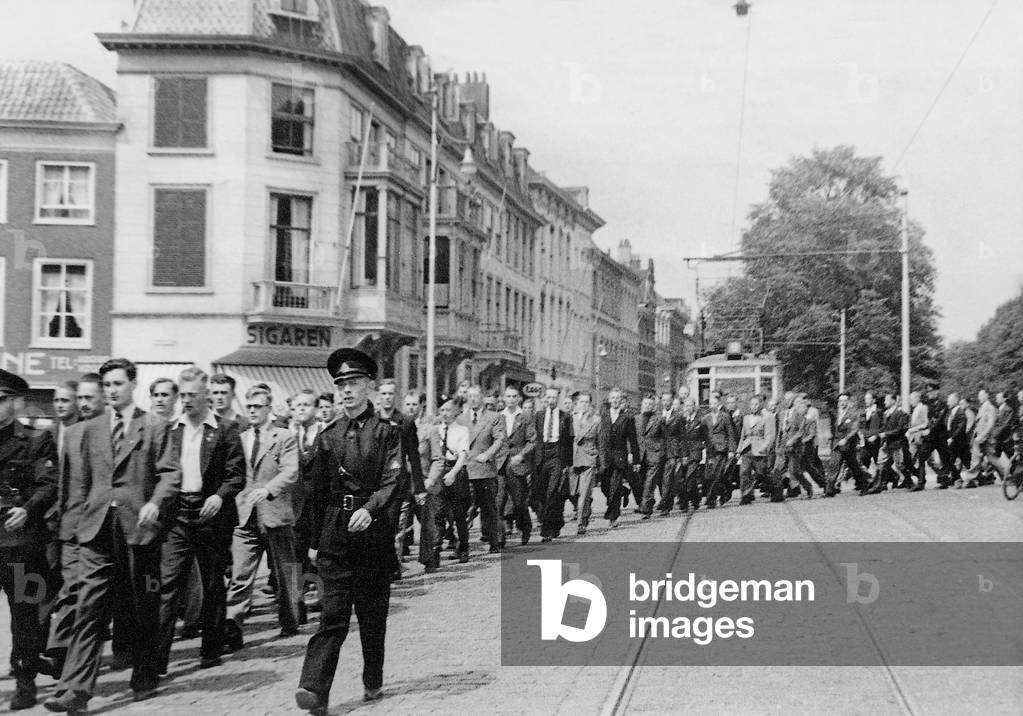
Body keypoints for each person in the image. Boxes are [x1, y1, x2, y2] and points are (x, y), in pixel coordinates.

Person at [46, 358, 180, 713]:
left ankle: (145, 675)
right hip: (96, 531)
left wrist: (155, 502)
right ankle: (76, 689)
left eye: (118, 384)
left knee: (142, 605)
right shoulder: (91, 429)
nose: (111, 391)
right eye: (106, 386)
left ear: (133, 384)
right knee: (88, 608)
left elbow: (170, 474)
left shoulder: (154, 426)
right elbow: (80, 486)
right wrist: (71, 534)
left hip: (139, 530)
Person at [296, 348, 402, 712]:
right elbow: (315, 494)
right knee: (332, 616)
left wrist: (371, 509)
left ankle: (373, 678)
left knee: (372, 619)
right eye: (340, 384)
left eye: (353, 382)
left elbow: (393, 481)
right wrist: (313, 543)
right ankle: (314, 691)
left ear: (369, 385)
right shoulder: (327, 436)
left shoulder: (387, 432)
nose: (346, 390)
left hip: (372, 538)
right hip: (336, 536)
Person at [155, 367, 245, 674]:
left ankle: (210, 650)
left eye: (193, 394)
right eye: (183, 394)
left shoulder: (226, 429)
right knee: (168, 585)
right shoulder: (170, 430)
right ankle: (157, 659)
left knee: (211, 584)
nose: (187, 400)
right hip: (178, 514)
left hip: (212, 515)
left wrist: (219, 496)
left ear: (206, 395)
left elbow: (237, 474)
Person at [223, 385, 301, 651]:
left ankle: (290, 620)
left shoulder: (284, 437)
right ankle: (233, 625)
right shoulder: (240, 437)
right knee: (240, 573)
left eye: (258, 406)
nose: (253, 411)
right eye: (250, 406)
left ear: (268, 408)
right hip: (245, 516)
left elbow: (291, 472)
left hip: (275, 513)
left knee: (285, 571)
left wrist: (268, 490)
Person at [0, 369, 58, 710]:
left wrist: (29, 509)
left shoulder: (37, 439)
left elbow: (49, 483)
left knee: (25, 613)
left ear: (19, 402)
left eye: (2, 400)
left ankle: (25, 680)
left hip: (21, 544)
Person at [375, 381, 426, 580]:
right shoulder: (372, 420)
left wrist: (419, 487)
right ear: (379, 396)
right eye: (384, 393)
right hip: (377, 485)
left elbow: (414, 456)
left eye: (390, 393)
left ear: (395, 396)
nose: (387, 397)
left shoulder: (405, 421)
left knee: (397, 530)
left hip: (400, 485)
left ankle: (393, 569)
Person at [456, 386, 505, 553]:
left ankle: (495, 541)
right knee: (463, 509)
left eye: (476, 395)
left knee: (489, 507)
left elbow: (499, 440)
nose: (473, 399)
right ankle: (461, 546)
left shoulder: (494, 417)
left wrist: (487, 454)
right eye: (470, 396)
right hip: (466, 469)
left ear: (482, 397)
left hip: (484, 468)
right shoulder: (461, 419)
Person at [424, 401, 470, 566]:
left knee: (459, 514)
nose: (444, 413)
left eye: (448, 410)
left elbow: (463, 455)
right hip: (439, 472)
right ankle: (436, 550)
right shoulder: (435, 430)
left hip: (455, 471)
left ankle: (463, 548)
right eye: (442, 410)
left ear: (456, 411)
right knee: (438, 513)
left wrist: (453, 473)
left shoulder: (462, 430)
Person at [532, 388, 573, 542]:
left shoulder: (566, 417)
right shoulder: (539, 416)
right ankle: (557, 521)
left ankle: (546, 530)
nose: (551, 400)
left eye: (554, 398)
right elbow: (535, 438)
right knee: (540, 494)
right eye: (548, 397)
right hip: (542, 456)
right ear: (544, 399)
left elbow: (569, 440)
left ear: (558, 399)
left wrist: (568, 464)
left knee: (552, 491)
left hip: (557, 455)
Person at [496, 386, 535, 545]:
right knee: (498, 502)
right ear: (504, 398)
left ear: (519, 398)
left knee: (519, 502)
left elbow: (532, 440)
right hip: (500, 464)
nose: (511, 399)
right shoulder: (499, 417)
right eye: (508, 396)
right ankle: (500, 538)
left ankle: (525, 528)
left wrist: (521, 455)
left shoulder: (525, 417)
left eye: (514, 396)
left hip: (517, 464)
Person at [598, 388, 639, 528]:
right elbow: (601, 438)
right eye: (613, 398)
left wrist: (636, 459)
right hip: (605, 457)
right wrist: (600, 455)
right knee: (604, 486)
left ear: (621, 401)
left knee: (614, 487)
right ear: (609, 400)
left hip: (620, 457)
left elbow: (633, 440)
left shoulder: (627, 418)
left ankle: (613, 517)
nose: (615, 400)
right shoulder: (603, 415)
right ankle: (624, 491)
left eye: (618, 398)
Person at [571, 392, 601, 535]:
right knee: (573, 493)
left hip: (588, 459)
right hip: (572, 460)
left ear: (590, 404)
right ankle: (586, 509)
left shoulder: (595, 421)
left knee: (583, 493)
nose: (583, 404)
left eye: (586, 402)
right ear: (576, 403)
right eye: (581, 402)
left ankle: (581, 523)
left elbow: (600, 441)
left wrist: (599, 459)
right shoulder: (570, 419)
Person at [700, 391, 737, 508]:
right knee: (709, 475)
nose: (713, 406)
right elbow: (703, 434)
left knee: (716, 474)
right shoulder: (705, 418)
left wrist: (732, 450)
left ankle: (711, 499)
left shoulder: (725, 416)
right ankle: (726, 489)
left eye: (715, 403)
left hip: (722, 449)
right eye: (711, 403)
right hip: (710, 449)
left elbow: (731, 434)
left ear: (719, 403)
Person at [737, 394, 775, 504]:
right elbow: (742, 435)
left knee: (761, 473)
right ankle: (746, 496)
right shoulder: (746, 418)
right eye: (752, 404)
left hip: (759, 449)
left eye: (756, 404)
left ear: (760, 405)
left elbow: (769, 435)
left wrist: (765, 447)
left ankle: (775, 489)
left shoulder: (766, 418)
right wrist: (739, 449)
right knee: (744, 473)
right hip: (747, 448)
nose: (754, 406)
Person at [636, 396, 667, 518]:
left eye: (650, 404)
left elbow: (665, 438)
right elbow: (632, 438)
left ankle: (646, 509)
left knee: (650, 482)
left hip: (654, 454)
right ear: (641, 405)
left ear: (653, 406)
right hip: (639, 455)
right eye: (645, 404)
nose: (648, 406)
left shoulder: (659, 419)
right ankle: (648, 503)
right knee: (641, 482)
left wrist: (661, 453)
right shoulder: (635, 419)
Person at [832, 392, 869, 494]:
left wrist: (846, 439)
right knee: (834, 465)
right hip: (837, 444)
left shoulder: (853, 413)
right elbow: (834, 429)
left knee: (854, 466)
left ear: (848, 402)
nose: (842, 403)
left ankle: (864, 485)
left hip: (848, 444)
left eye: (844, 401)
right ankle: (829, 489)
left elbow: (854, 429)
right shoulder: (836, 414)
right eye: (840, 401)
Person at [676, 398, 706, 509]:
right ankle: (695, 499)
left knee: (690, 477)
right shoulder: (681, 420)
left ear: (694, 406)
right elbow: (680, 437)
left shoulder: (700, 420)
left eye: (690, 405)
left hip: (695, 452)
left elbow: (705, 436)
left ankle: (684, 502)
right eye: (686, 406)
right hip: (684, 452)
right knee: (682, 477)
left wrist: (704, 448)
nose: (688, 408)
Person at [905, 391, 930, 491]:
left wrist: (912, 430)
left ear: (917, 399)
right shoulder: (914, 409)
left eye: (911, 399)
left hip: (920, 437)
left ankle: (921, 481)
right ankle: (919, 478)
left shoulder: (923, 408)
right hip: (913, 438)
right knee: (909, 460)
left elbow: (925, 423)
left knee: (921, 460)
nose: (910, 402)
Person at [943, 392, 968, 487]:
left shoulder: (961, 412)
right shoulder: (950, 412)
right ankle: (956, 478)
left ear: (955, 401)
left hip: (959, 442)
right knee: (950, 460)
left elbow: (960, 428)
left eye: (949, 401)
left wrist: (952, 437)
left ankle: (977, 477)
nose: (948, 403)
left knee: (965, 461)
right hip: (952, 441)